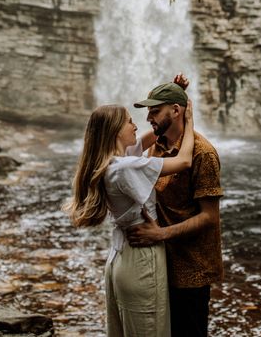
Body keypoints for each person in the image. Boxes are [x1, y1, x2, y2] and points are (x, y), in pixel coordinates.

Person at [64, 99, 194, 337]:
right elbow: (185, 160)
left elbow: (154, 135)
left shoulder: (110, 164)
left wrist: (172, 103)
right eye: (130, 122)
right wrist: (188, 118)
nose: (136, 126)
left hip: (119, 258)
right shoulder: (126, 167)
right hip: (142, 258)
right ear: (115, 131)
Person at [126, 75, 223, 337]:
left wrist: (160, 234)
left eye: (155, 111)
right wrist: (175, 93)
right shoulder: (156, 144)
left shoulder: (202, 153)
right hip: (160, 261)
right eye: (149, 112)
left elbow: (209, 217)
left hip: (192, 267)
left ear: (177, 111)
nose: (149, 119)